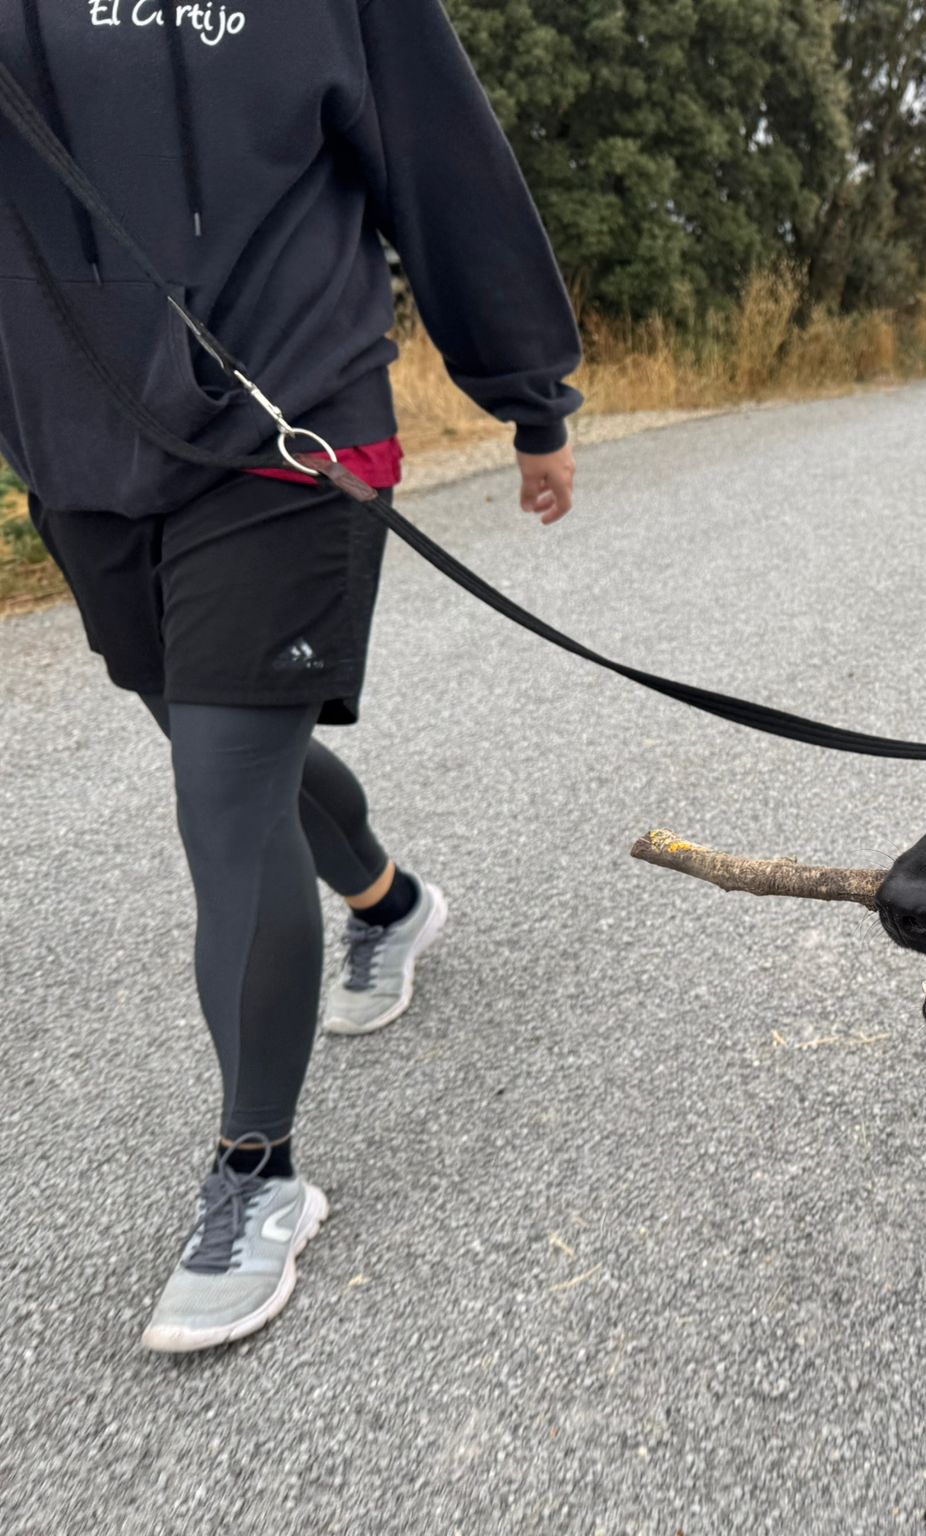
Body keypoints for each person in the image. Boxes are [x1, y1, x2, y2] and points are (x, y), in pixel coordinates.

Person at [0, 0, 581, 1351]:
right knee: (222, 748)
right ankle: (387, 899)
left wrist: (530, 396)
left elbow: (441, 160)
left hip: (288, 424)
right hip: (77, 449)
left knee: (223, 795)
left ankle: (256, 1173)